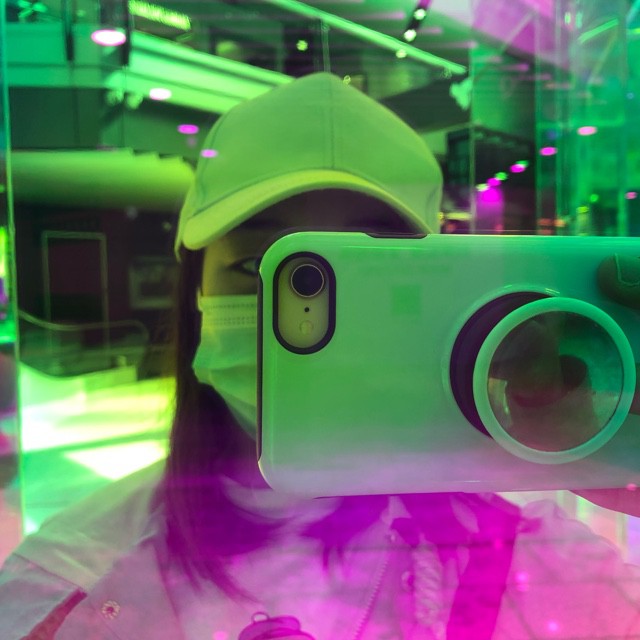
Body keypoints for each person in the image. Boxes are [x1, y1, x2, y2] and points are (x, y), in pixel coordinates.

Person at [1, 72, 640, 640]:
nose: (307, 323)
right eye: (261, 266)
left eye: (367, 270)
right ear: (194, 289)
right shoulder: (73, 584)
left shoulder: (535, 560)